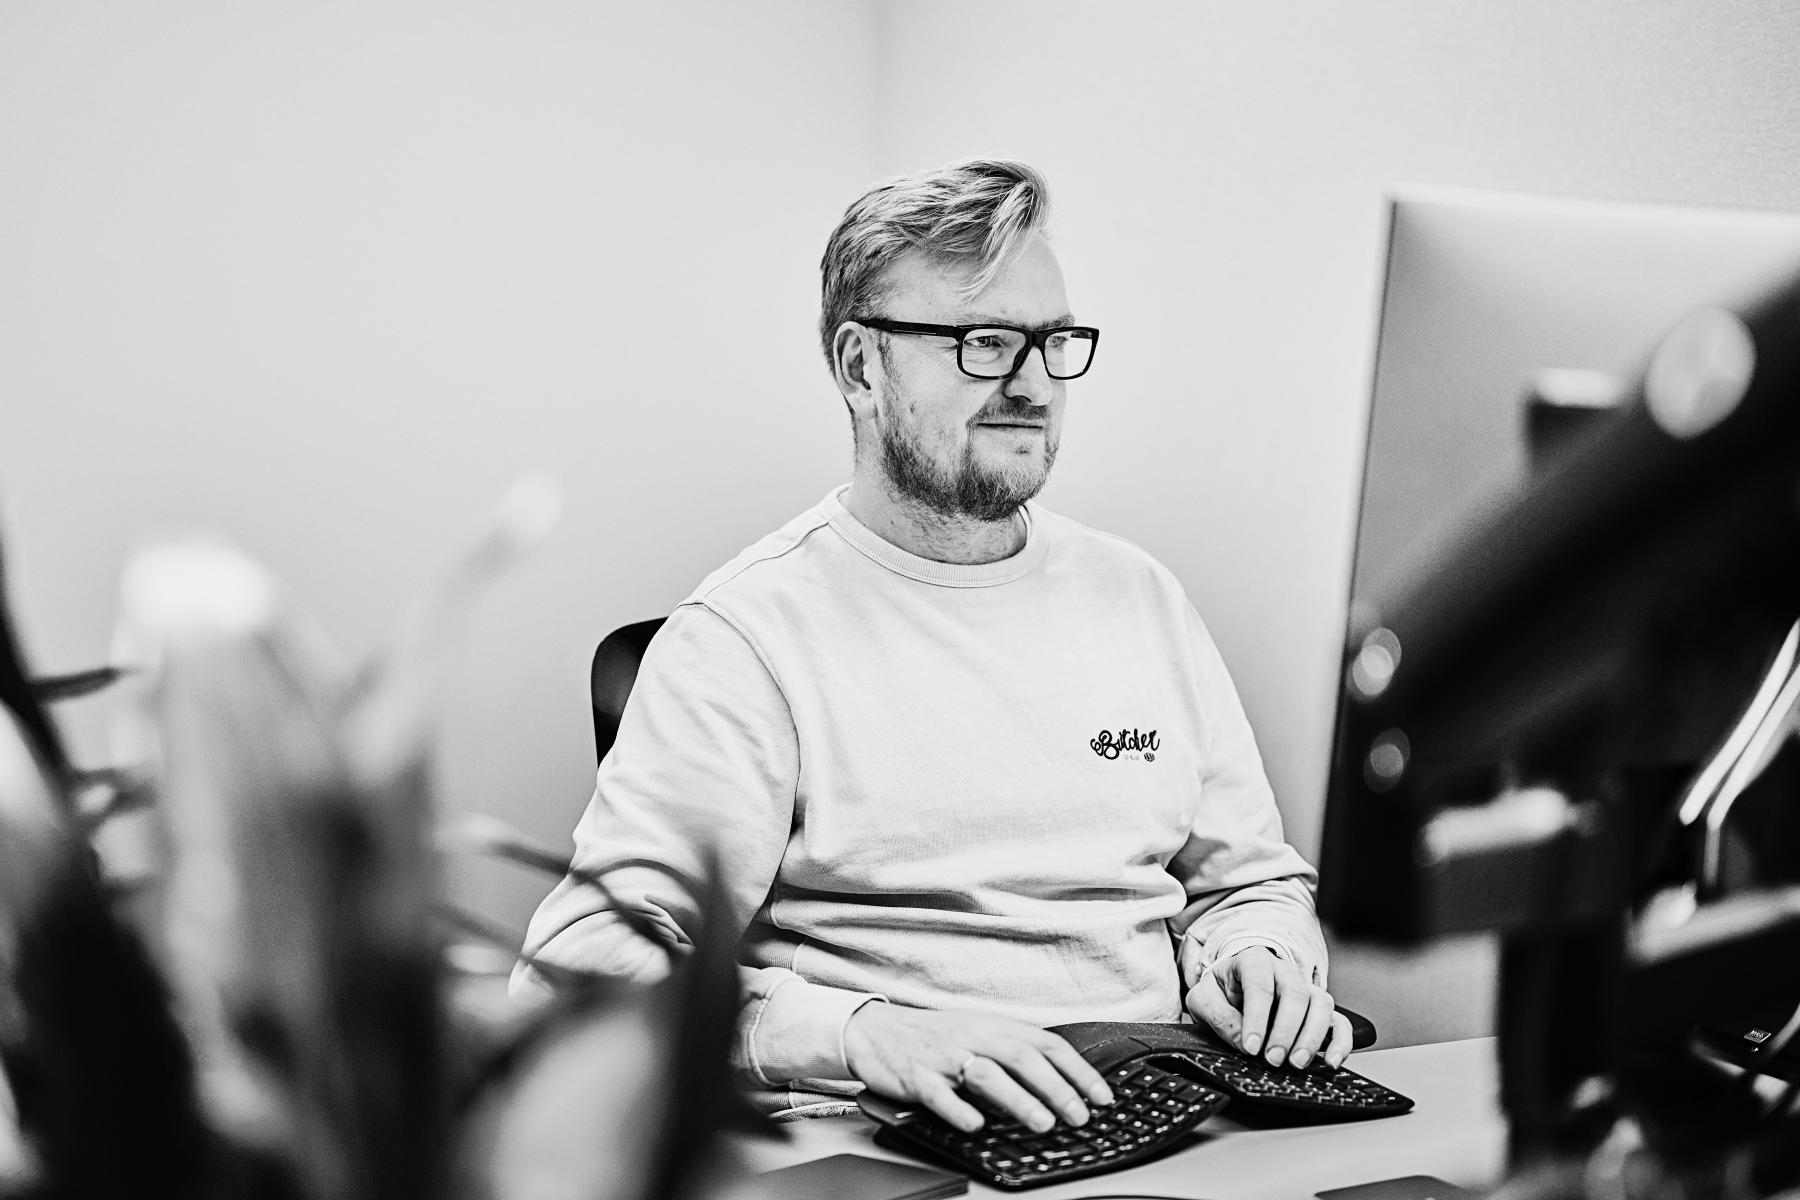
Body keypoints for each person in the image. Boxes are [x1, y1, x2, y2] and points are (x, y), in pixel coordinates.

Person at [516, 158, 1350, 1133]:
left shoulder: (1140, 599)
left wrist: (1261, 955)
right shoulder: (748, 638)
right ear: (860, 367)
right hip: (896, 1140)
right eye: (984, 343)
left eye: (1054, 342)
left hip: (1166, 1119)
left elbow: (1248, 881)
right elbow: (580, 966)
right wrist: (867, 1034)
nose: (1033, 384)